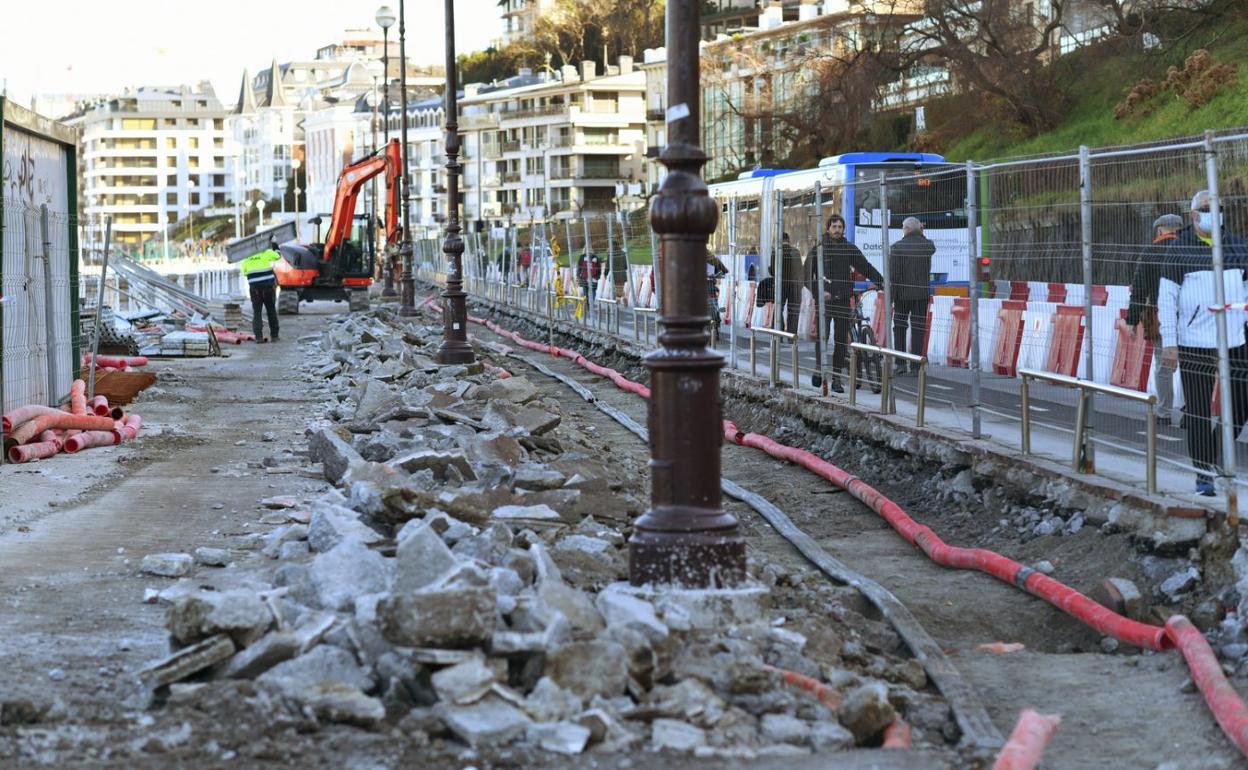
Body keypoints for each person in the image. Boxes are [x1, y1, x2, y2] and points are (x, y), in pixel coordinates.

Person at [1157, 190, 1248, 496]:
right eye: (1208, 208)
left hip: (1235, 339)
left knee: (1240, 407)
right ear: (1194, 215)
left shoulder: (1238, 246)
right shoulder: (1179, 249)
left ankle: (1209, 456)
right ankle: (1203, 475)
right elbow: (1166, 300)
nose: (1215, 213)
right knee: (1197, 410)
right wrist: (1169, 342)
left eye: (1219, 208)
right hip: (1194, 341)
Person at [807, 213, 883, 393]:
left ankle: (836, 379)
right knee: (822, 338)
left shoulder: (849, 248)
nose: (837, 230)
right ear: (828, 228)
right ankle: (819, 368)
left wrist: (881, 281)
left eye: (840, 227)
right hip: (824, 302)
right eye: (834, 227)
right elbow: (807, 276)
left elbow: (865, 266)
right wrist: (819, 292)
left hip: (842, 300)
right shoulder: (819, 248)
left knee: (841, 341)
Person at [1125, 214, 1184, 425]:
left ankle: (1165, 412)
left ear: (1159, 230)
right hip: (1190, 317)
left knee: (1163, 364)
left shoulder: (1151, 252)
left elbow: (1139, 289)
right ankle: (1191, 412)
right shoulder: (1189, 249)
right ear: (1178, 229)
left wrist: (1131, 321)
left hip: (1162, 317)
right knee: (1190, 364)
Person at [888, 217, 936, 375]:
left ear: (906, 229)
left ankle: (900, 363)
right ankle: (916, 365)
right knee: (918, 328)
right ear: (919, 229)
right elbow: (928, 245)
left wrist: (891, 296)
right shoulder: (927, 246)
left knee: (900, 328)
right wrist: (920, 233)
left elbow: (893, 274)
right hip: (921, 295)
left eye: (903, 228)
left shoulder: (897, 247)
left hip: (901, 295)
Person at [240, 239, 282, 343]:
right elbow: (278, 255)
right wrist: (274, 244)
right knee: (271, 310)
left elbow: (244, 272)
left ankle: (258, 337)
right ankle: (275, 336)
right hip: (268, 287)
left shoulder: (246, 257)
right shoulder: (265, 252)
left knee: (257, 312)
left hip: (255, 288)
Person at [778, 232, 804, 335]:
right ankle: (791, 335)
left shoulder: (776, 252)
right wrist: (800, 285)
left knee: (779, 308)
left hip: (781, 286)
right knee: (793, 311)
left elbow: (773, 271)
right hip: (794, 286)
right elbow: (800, 270)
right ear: (788, 240)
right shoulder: (796, 252)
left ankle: (778, 333)